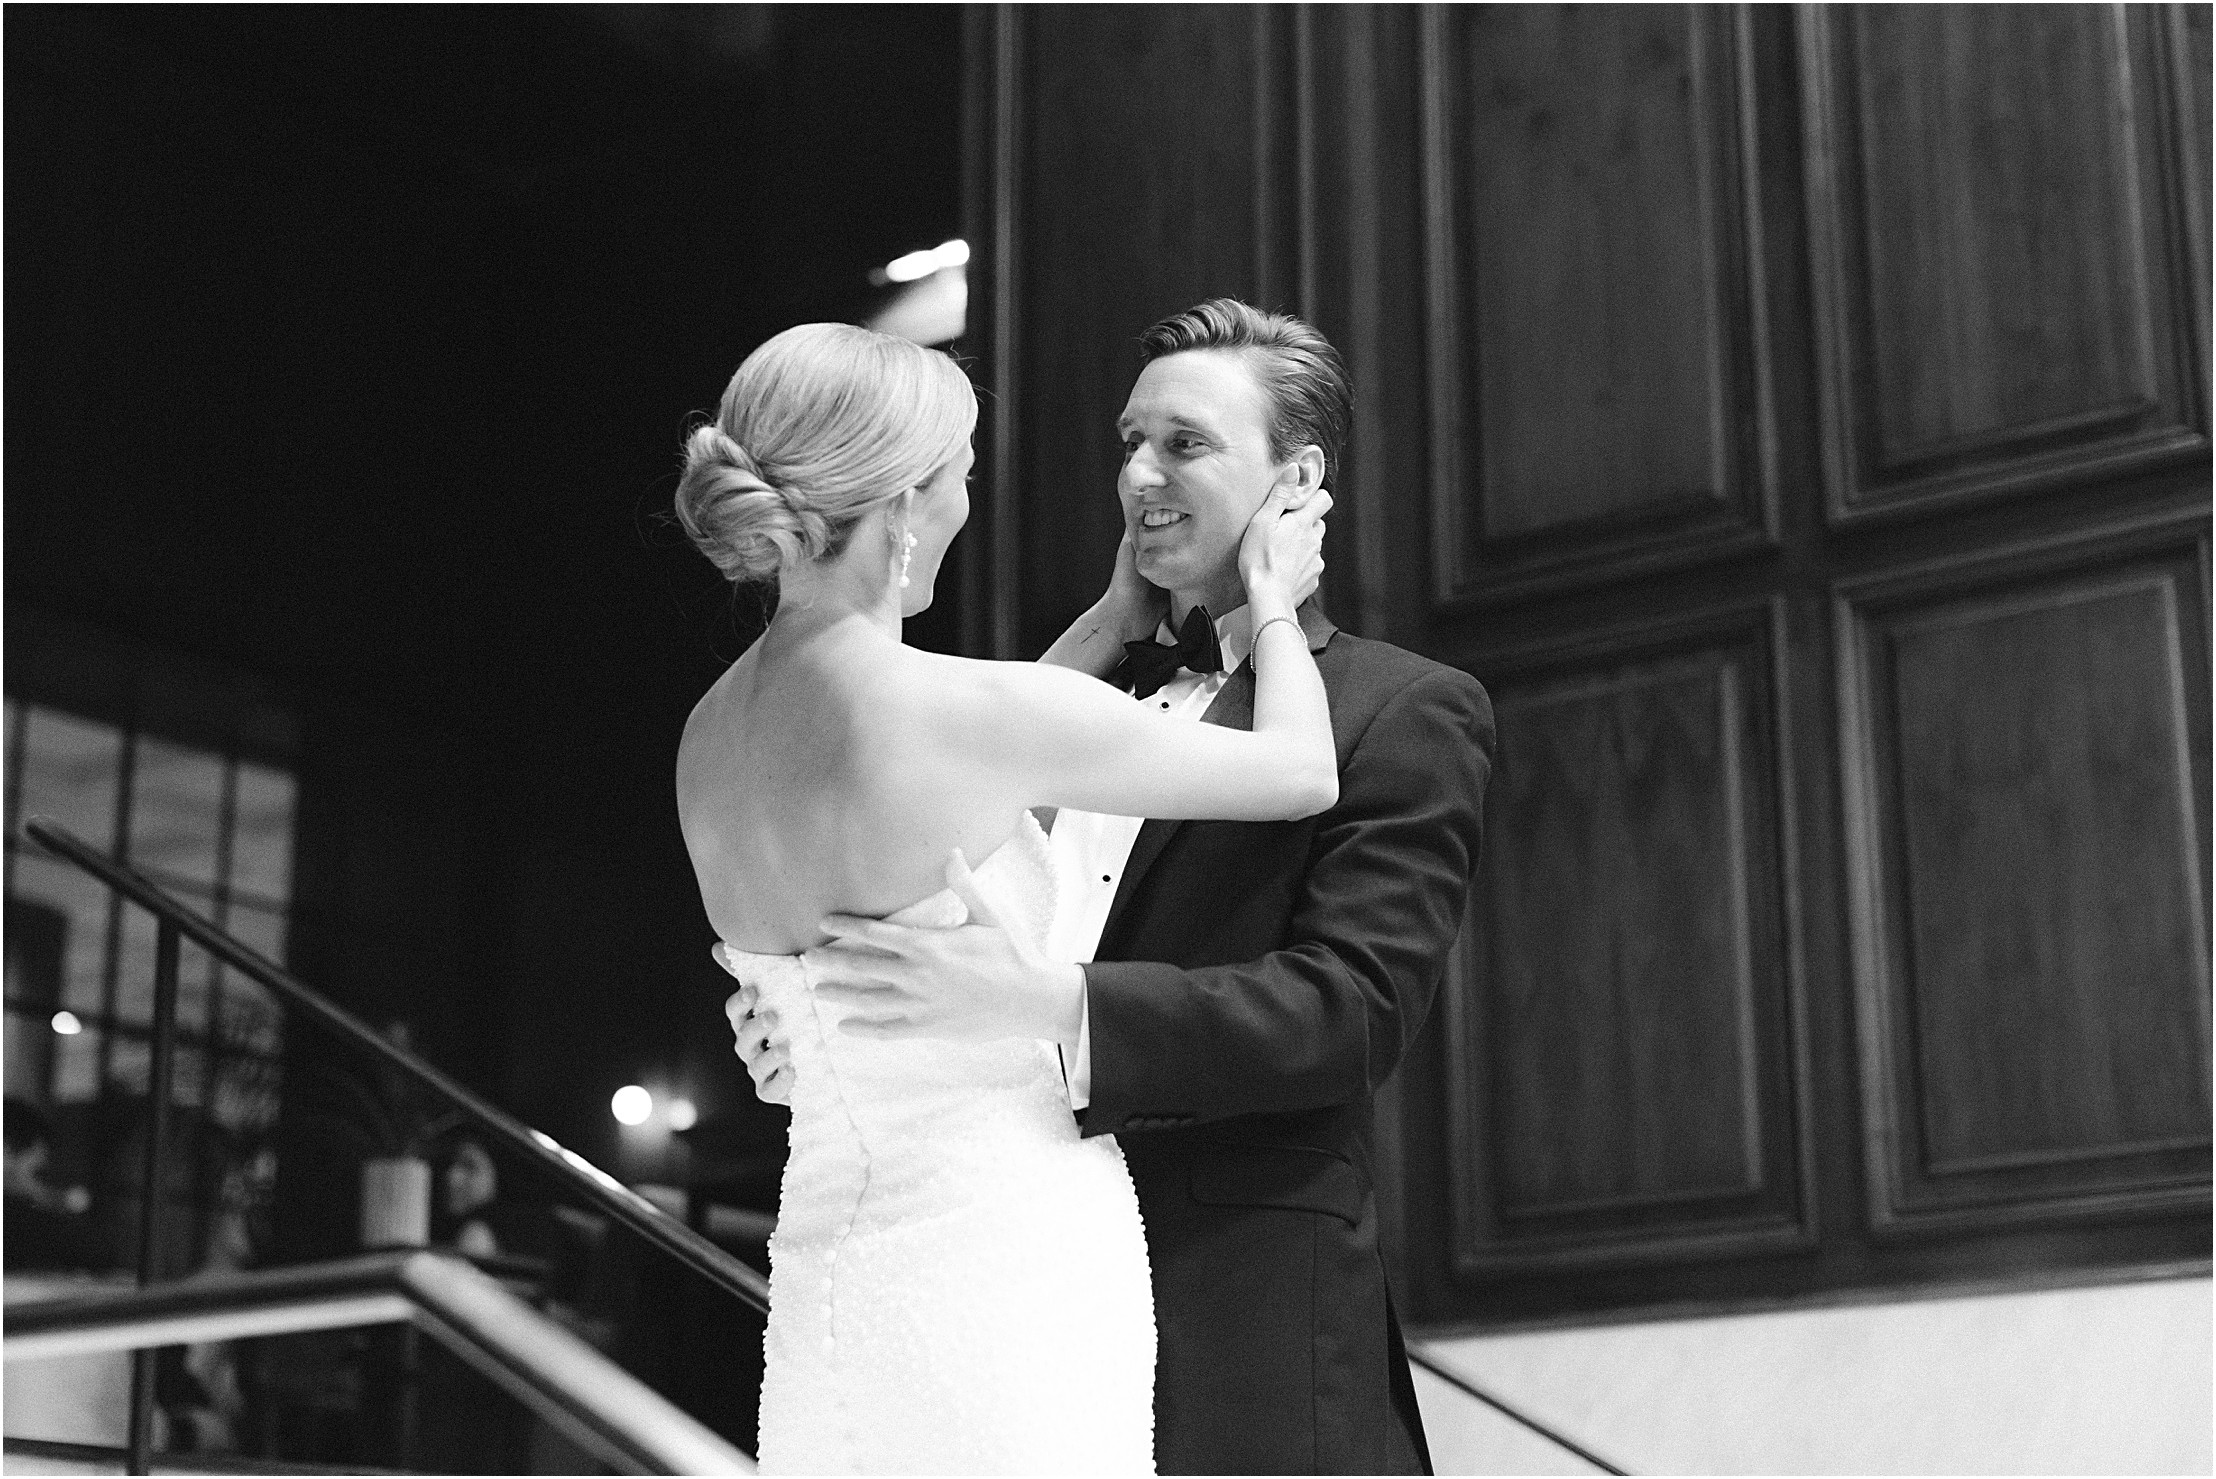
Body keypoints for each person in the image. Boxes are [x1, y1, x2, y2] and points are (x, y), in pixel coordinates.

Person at [736, 299, 1496, 1474]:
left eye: (1183, 445)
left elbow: (1351, 1011)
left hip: (1230, 1309)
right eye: (1129, 444)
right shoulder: (1040, 701)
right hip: (988, 1293)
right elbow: (904, 927)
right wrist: (811, 1021)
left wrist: (1052, 1008)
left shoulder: (1400, 711)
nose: (1139, 474)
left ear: (1298, 480)